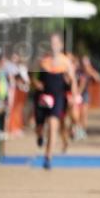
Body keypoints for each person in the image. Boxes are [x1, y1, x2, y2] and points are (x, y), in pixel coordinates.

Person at [33, 33, 74, 169]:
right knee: (39, 126)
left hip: (58, 97)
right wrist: (36, 83)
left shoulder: (66, 62)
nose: (53, 46)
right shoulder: (43, 61)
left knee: (53, 125)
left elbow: (72, 80)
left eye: (56, 43)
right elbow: (33, 78)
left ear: (61, 45)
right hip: (42, 96)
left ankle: (48, 157)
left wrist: (73, 96)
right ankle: (39, 136)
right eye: (51, 43)